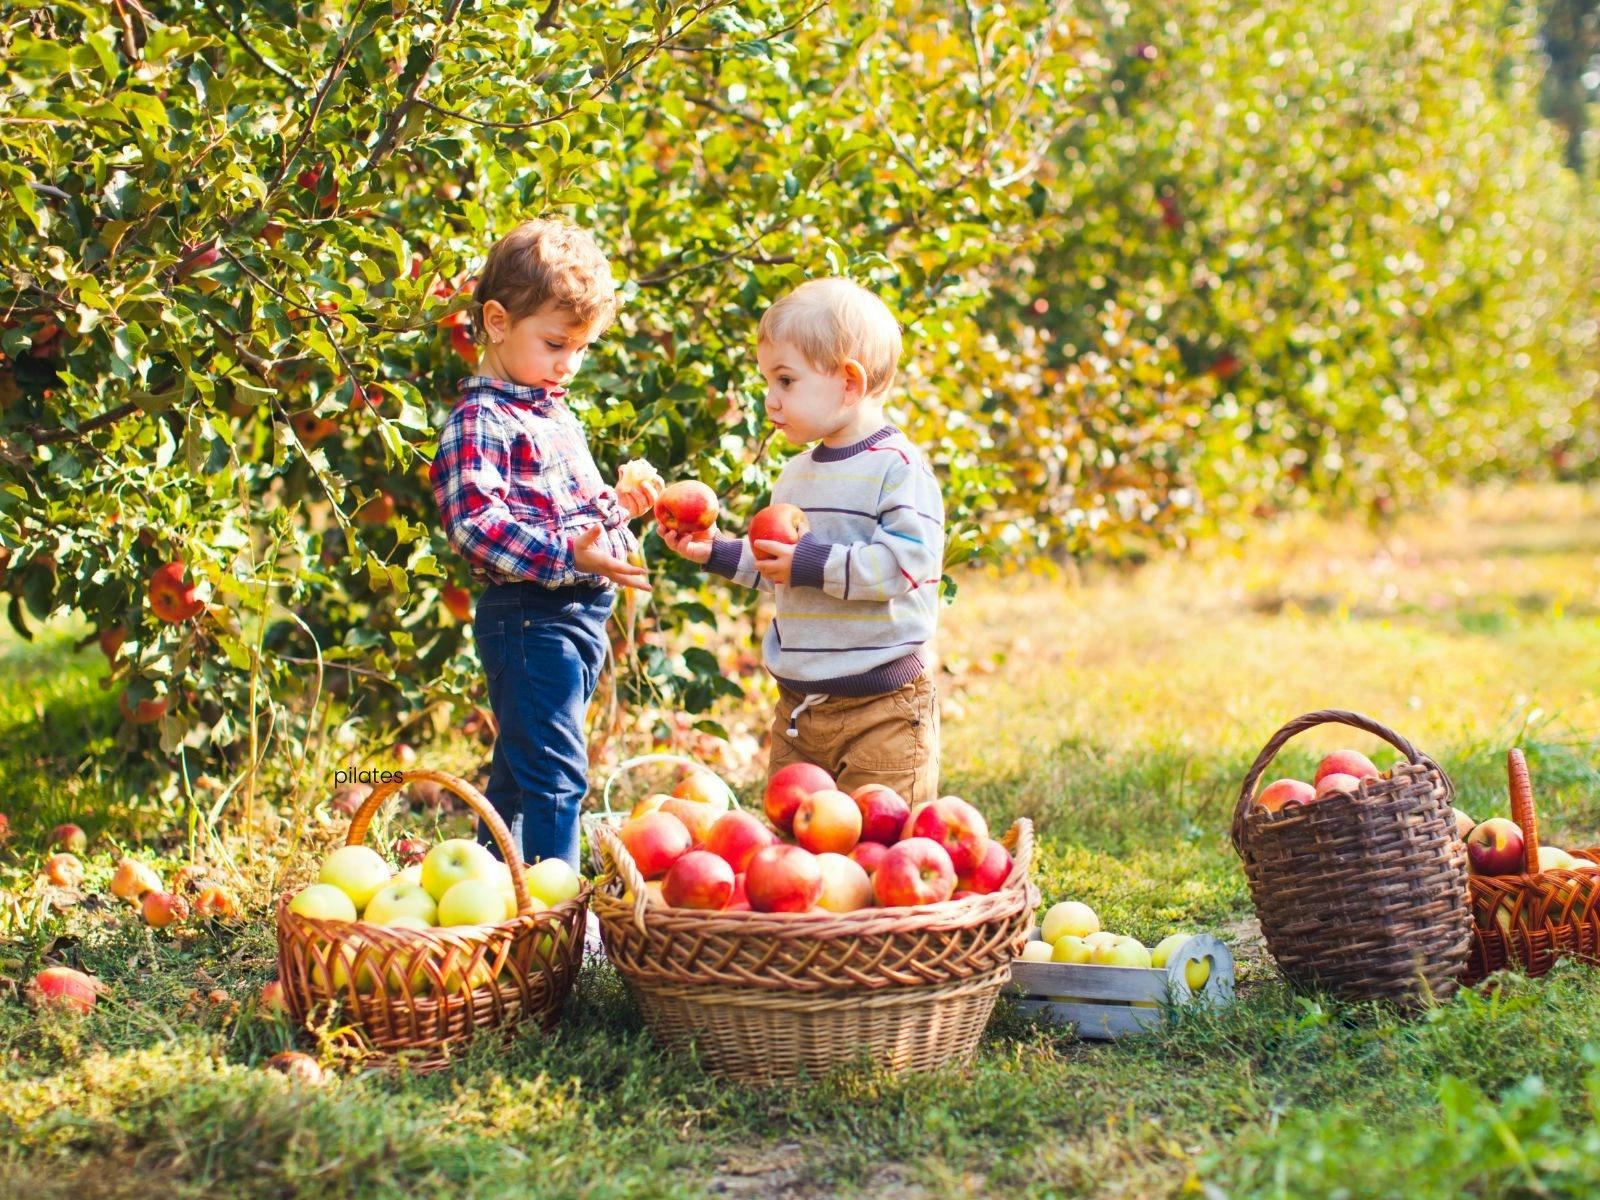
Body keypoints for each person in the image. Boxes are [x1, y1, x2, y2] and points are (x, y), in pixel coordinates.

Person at [662, 277, 946, 804]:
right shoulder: (795, 474)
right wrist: (718, 551)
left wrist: (809, 562)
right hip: (799, 708)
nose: (770, 399)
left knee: (877, 853)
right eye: (768, 382)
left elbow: (908, 565)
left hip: (882, 705)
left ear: (848, 382)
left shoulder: (898, 468)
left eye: (786, 381)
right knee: (794, 855)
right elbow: (784, 570)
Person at [430, 218, 657, 871]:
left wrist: (622, 507)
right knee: (558, 774)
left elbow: (573, 519)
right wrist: (567, 557)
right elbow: (476, 523)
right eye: (557, 343)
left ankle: (490, 887)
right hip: (531, 621)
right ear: (497, 322)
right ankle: (556, 913)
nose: (570, 363)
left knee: (521, 766)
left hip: (577, 620)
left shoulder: (548, 406)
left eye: (583, 348)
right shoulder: (482, 418)